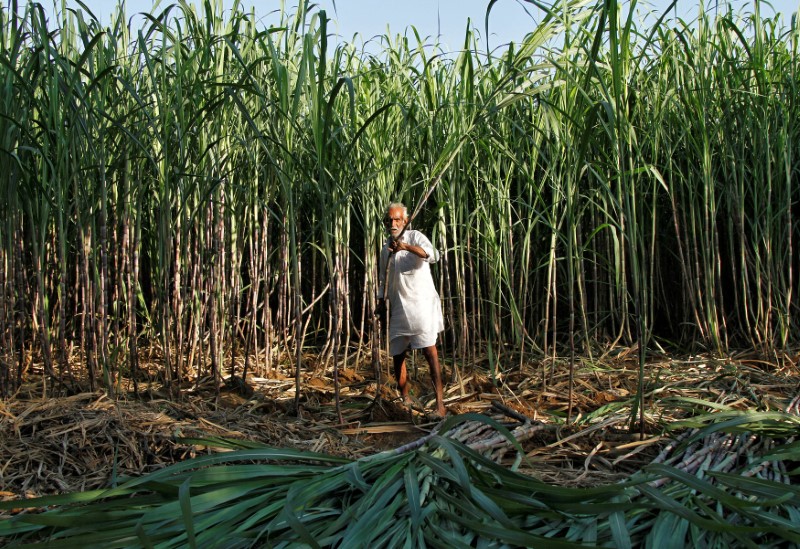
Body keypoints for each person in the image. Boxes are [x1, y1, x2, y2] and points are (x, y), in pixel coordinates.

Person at [375, 202, 446, 418]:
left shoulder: (415, 237)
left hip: (421, 305)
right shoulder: (385, 249)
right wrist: (380, 302)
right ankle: (405, 400)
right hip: (398, 306)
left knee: (430, 352)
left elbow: (434, 255)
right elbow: (383, 280)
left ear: (405, 221)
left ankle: (440, 406)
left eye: (397, 220)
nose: (393, 224)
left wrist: (405, 247)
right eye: (389, 220)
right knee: (398, 353)